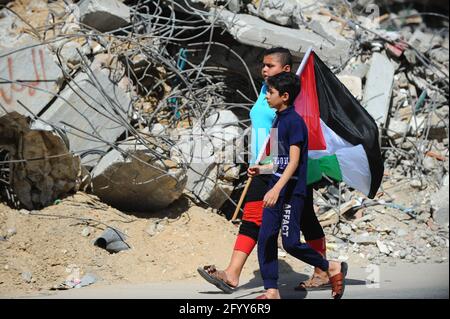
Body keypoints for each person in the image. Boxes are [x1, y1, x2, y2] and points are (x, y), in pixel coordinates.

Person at [197, 47, 329, 293]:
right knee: (253, 216)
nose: (264, 69)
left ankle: (324, 270)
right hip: (264, 165)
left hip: (287, 169)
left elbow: (295, 137)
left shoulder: (293, 100)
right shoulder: (265, 92)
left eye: (270, 66)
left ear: (286, 70)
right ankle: (233, 274)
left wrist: (275, 166)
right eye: (264, 65)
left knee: (306, 220)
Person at [250, 72, 347, 299]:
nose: (266, 97)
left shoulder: (295, 122)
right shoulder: (277, 120)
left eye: (270, 93)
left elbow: (293, 162)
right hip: (276, 187)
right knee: (265, 238)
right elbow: (277, 161)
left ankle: (330, 266)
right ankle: (271, 290)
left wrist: (275, 189)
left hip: (292, 192)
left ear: (284, 96)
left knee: (291, 243)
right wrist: (261, 170)